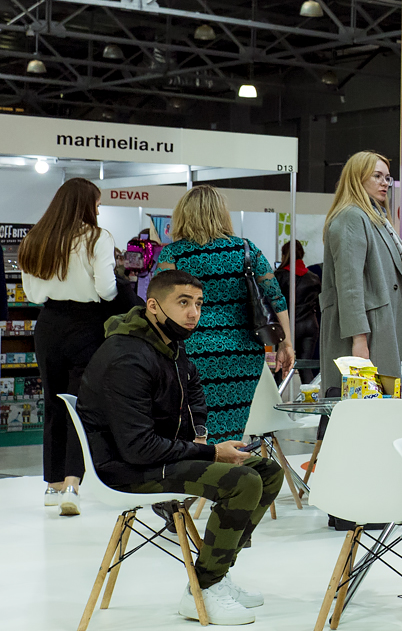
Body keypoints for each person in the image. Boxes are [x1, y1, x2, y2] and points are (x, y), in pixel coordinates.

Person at [78, 269, 285, 626]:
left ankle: (215, 573)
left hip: (157, 456)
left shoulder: (168, 344)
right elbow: (139, 448)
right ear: (153, 306)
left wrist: (200, 435)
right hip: (126, 470)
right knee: (242, 482)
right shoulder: (127, 357)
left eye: (199, 304)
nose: (194, 313)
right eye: (183, 302)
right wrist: (211, 452)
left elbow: (194, 389)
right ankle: (203, 588)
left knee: (267, 471)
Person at [154, 187, 294, 442]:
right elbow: (276, 298)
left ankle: (203, 463)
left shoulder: (173, 254)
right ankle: (229, 463)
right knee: (233, 427)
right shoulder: (246, 249)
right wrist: (286, 344)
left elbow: (160, 305)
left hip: (192, 351)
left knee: (196, 424)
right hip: (243, 354)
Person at [19, 178, 117, 515]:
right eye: (97, 204)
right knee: (80, 405)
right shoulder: (98, 238)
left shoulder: (36, 238)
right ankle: (73, 484)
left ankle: (52, 484)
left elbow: (31, 294)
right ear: (86, 204)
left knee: (52, 404)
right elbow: (107, 289)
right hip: (87, 325)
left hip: (48, 324)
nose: (98, 211)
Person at [318, 152, 402, 395]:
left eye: (387, 177)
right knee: (363, 406)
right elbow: (349, 285)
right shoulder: (351, 217)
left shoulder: (375, 218)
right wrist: (358, 340)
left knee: (379, 404)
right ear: (357, 178)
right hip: (367, 334)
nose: (385, 183)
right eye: (377, 176)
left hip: (380, 327)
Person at [276, 242, 322, 383]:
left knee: (281, 364)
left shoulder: (280, 276)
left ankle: (275, 394)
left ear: (284, 255)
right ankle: (311, 396)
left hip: (289, 326)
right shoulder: (314, 277)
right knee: (305, 367)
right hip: (310, 326)